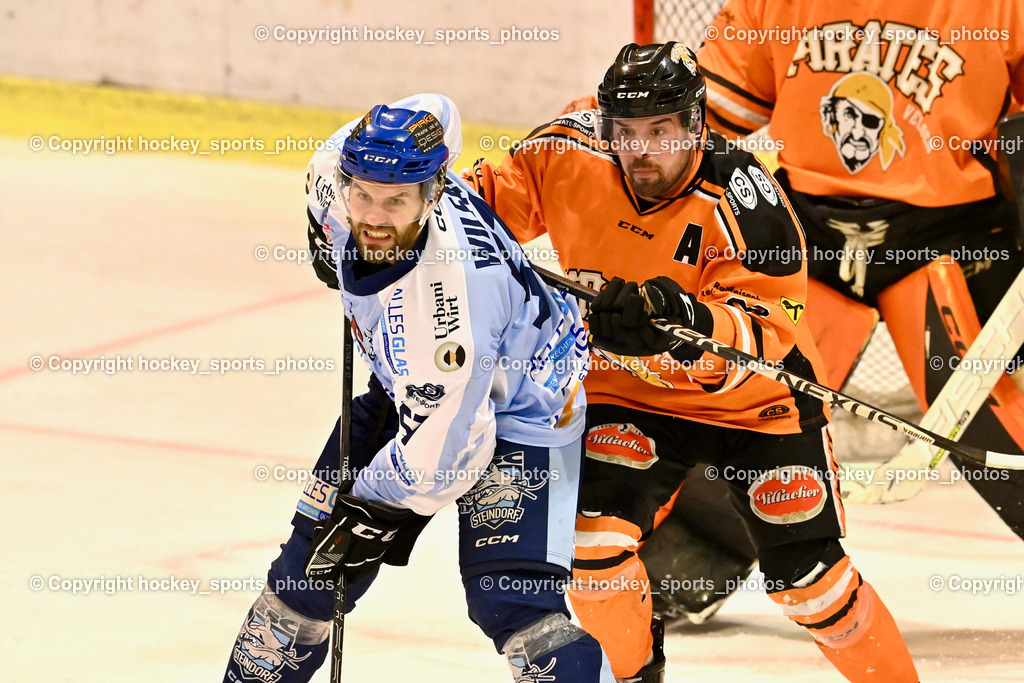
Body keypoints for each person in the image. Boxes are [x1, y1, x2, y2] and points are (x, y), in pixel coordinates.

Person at [466, 42, 918, 683]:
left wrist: (685, 327)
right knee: (591, 550)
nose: (641, 149)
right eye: (625, 132)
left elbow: (779, 329)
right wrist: (384, 236)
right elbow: (467, 216)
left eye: (661, 131)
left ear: (695, 125)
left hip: (753, 407)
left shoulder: (747, 201)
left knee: (813, 589)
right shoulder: (561, 155)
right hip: (629, 397)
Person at [223, 94, 615, 683]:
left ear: (433, 194)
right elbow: (438, 107)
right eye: (364, 195)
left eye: (397, 201)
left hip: (523, 408)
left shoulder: (445, 321)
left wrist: (366, 511)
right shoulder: (342, 169)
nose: (375, 217)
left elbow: (450, 454)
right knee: (300, 586)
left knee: (515, 606)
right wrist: (320, 232)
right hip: (410, 390)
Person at [696, 0, 1024, 533]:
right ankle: (655, 580)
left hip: (954, 239)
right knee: (736, 418)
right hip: (805, 240)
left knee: (1007, 442)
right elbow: (690, 117)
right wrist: (577, 141)